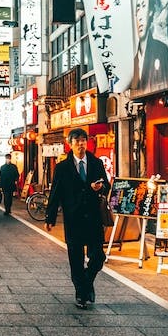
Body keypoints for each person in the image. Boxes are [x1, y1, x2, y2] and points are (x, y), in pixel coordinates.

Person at [45, 128, 109, 309]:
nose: (81, 144)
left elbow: (106, 184)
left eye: (84, 140)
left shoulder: (96, 163)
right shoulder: (62, 167)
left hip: (93, 217)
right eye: (78, 140)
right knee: (76, 259)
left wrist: (100, 188)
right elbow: (55, 193)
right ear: (70, 143)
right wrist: (50, 216)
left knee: (98, 257)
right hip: (73, 218)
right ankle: (81, 294)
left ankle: (86, 285)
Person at [134, 0, 168, 93]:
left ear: (151, 11)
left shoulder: (161, 50)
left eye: (144, 6)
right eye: (138, 8)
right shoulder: (134, 61)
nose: (140, 15)